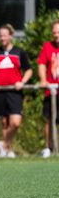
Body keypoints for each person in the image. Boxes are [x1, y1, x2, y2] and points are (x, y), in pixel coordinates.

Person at [0, 24, 32, 158]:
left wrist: (22, 81)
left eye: (5, 35)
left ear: (11, 36)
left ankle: (4, 144)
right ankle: (7, 150)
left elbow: (28, 70)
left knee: (15, 122)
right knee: (4, 123)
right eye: (0, 35)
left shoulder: (19, 52)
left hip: (14, 91)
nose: (2, 38)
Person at [37, 20, 59, 158]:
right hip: (51, 91)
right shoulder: (47, 47)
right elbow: (41, 64)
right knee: (49, 120)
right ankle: (48, 147)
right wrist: (43, 79)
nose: (56, 35)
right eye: (54, 32)